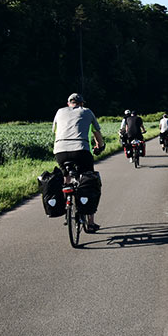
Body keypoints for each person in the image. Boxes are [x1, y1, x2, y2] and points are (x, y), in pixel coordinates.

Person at [52, 93, 105, 233]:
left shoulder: (59, 111)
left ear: (69, 103)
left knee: (66, 178)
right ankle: (91, 223)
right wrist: (100, 146)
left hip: (60, 151)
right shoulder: (87, 111)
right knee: (88, 180)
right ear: (81, 103)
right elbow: (96, 133)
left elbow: (56, 131)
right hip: (81, 150)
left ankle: (66, 209)